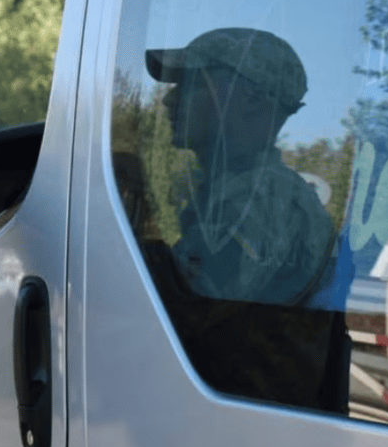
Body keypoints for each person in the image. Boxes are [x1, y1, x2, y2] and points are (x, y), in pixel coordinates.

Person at [142, 27, 349, 410]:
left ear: (251, 99)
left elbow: (176, 313)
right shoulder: (238, 193)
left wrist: (124, 228)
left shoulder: (264, 199)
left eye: (190, 85)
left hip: (250, 437)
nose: (168, 101)